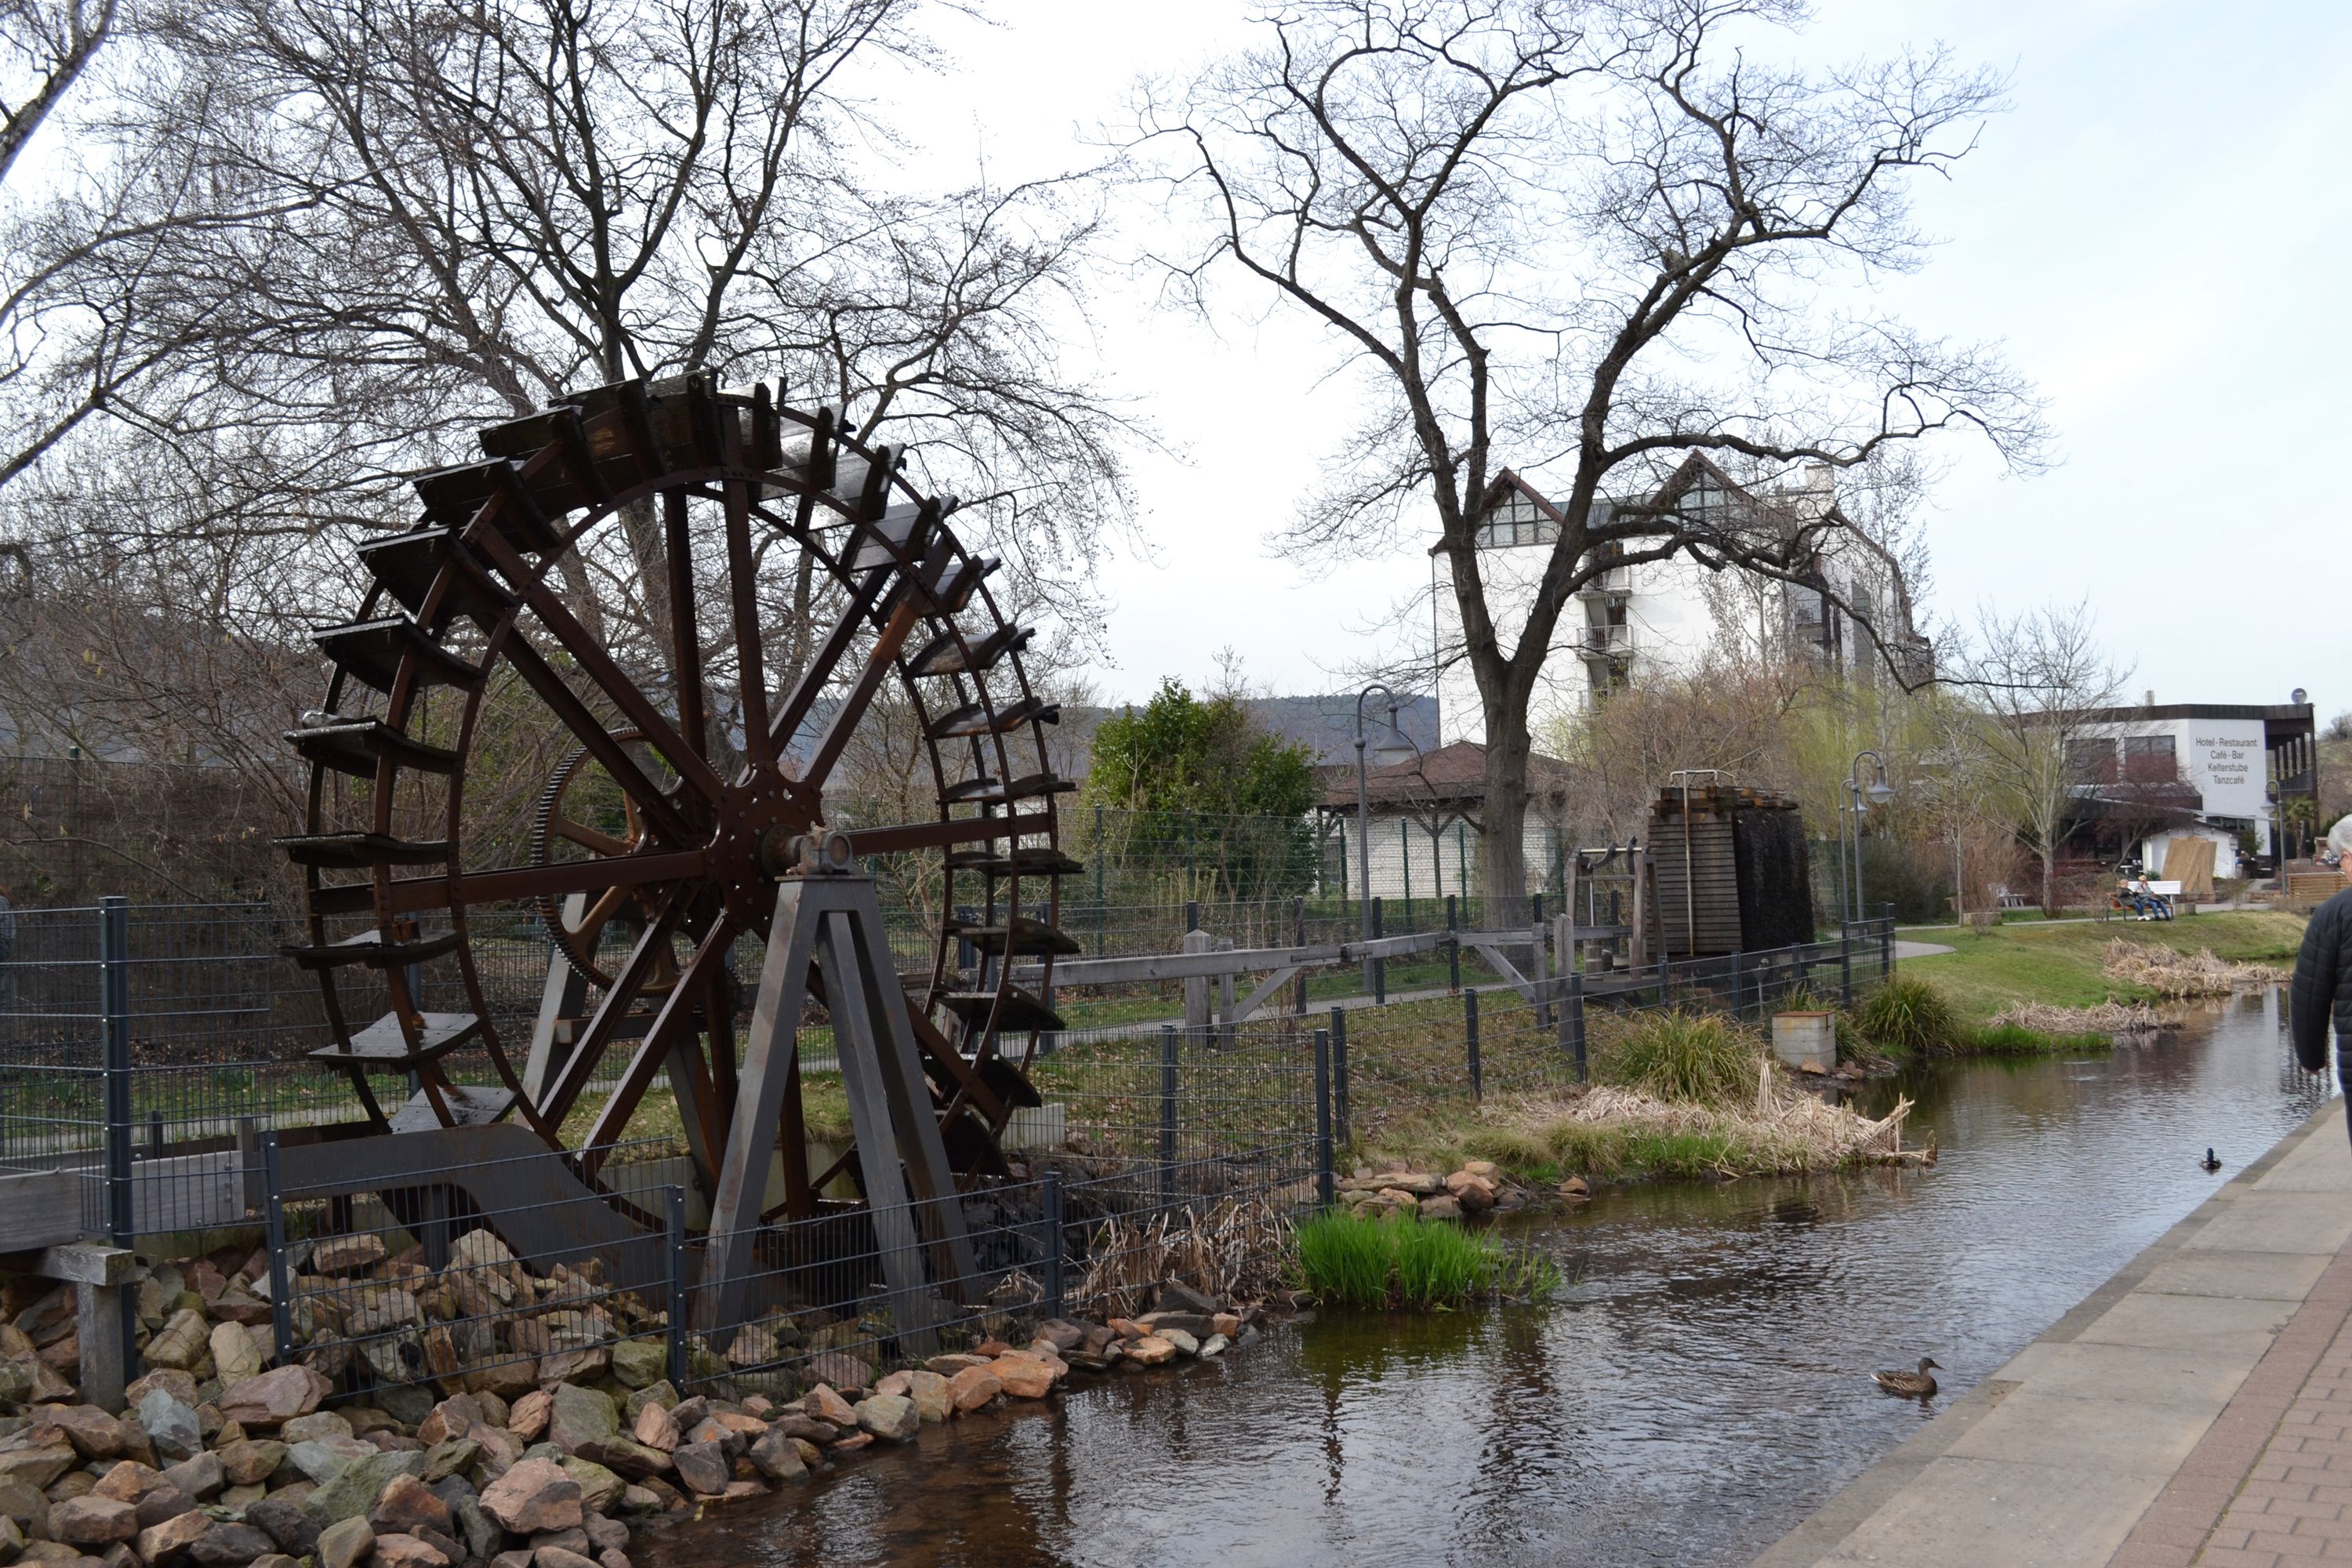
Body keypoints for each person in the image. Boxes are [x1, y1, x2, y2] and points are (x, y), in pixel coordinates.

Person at [2290, 816, 2352, 1094]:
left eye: (2339, 860)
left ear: (2349, 856)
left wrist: (2311, 1057)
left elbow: (2310, 992)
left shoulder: (2334, 914)